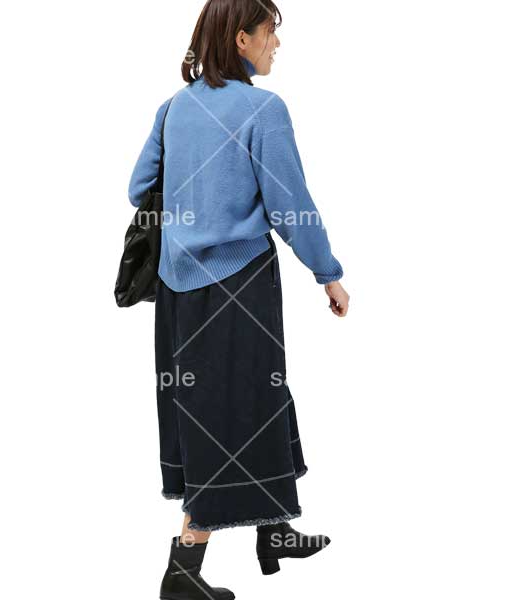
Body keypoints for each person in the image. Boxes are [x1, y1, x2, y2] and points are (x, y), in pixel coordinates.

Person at [127, 1, 350, 598]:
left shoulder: (173, 108)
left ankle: (274, 530)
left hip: (178, 291)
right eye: (271, 33)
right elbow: (290, 203)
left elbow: (137, 187)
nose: (277, 45)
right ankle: (182, 571)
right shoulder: (263, 109)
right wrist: (327, 272)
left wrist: (195, 190)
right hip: (239, 285)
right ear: (242, 39)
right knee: (230, 416)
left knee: (250, 398)